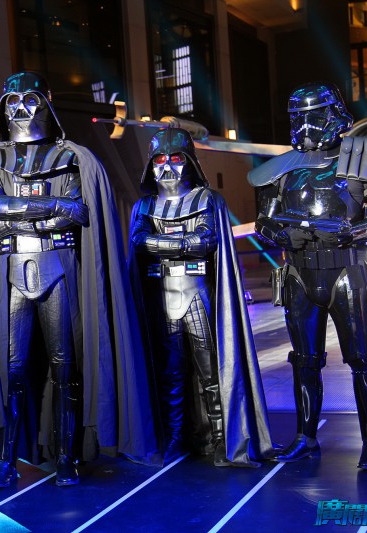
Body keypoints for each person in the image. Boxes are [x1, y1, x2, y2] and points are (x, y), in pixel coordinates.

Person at [0, 72, 157, 488]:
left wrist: (21, 215)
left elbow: (79, 211)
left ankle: (67, 455)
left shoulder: (72, 158)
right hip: (12, 269)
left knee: (65, 366)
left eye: (30, 100)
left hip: (60, 266)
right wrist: (54, 207)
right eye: (12, 101)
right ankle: (5, 459)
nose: (21, 110)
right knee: (12, 370)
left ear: (45, 103)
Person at [247, 82, 367, 470]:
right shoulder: (282, 167)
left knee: (363, 359)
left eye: (314, 116)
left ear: (334, 115)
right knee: (304, 360)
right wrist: (282, 234)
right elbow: (264, 220)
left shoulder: (365, 156)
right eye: (298, 117)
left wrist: (349, 232)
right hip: (299, 273)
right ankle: (305, 437)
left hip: (347, 270)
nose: (306, 125)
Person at [128, 128, 274, 467]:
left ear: (189, 161)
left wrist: (163, 245)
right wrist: (183, 243)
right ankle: (175, 438)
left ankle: (221, 439)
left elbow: (206, 242)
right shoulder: (144, 205)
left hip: (198, 295)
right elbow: (139, 241)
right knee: (170, 373)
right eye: (159, 160)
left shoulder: (208, 200)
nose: (167, 167)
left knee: (211, 373)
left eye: (175, 159)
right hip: (162, 297)